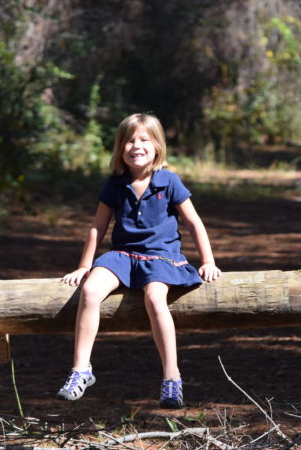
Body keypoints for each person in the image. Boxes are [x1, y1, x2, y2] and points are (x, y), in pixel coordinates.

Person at [58, 113, 221, 408]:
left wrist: (207, 260)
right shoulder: (115, 184)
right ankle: (81, 369)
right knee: (91, 290)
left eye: (144, 139)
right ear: (121, 148)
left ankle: (172, 377)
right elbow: (98, 227)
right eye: (130, 140)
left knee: (155, 297)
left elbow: (194, 223)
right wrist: (84, 266)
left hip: (162, 258)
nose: (137, 146)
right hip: (122, 256)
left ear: (157, 146)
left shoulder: (169, 181)